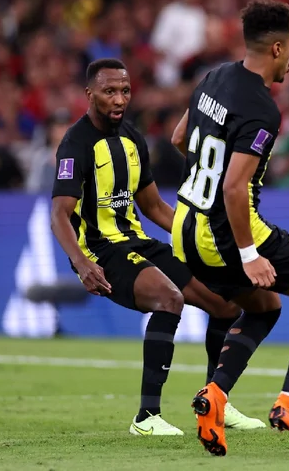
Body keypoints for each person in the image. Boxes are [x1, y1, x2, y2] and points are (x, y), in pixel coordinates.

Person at [50, 58, 265, 436]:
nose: (119, 99)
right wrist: (81, 261)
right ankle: (146, 418)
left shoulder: (133, 138)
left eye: (125, 91)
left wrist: (199, 234)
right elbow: (59, 214)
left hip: (137, 242)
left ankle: (216, 401)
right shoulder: (76, 144)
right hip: (101, 251)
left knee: (225, 304)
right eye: (109, 91)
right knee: (169, 299)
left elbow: (153, 207)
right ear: (90, 94)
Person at [170, 1, 289, 456]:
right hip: (225, 229)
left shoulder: (213, 77)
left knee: (265, 308)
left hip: (184, 222)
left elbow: (178, 138)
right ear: (278, 47)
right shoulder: (262, 109)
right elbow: (233, 187)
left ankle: (216, 395)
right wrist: (249, 253)